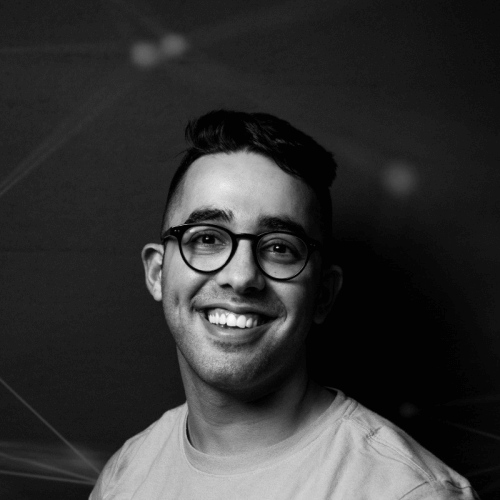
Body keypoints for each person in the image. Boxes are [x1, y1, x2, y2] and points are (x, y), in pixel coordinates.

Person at [90, 110, 478, 499]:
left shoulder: (409, 492)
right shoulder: (125, 476)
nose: (241, 276)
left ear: (323, 294)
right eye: (207, 239)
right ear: (157, 273)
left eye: (279, 247)